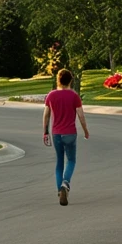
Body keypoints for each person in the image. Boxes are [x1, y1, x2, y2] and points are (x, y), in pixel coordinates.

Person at [42, 69, 89, 206]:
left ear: (58, 80)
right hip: (70, 133)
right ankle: (65, 183)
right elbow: (81, 115)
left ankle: (59, 190)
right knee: (72, 160)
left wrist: (45, 132)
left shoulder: (51, 95)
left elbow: (46, 115)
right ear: (70, 80)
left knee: (59, 163)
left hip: (56, 133)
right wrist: (86, 130)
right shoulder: (74, 96)